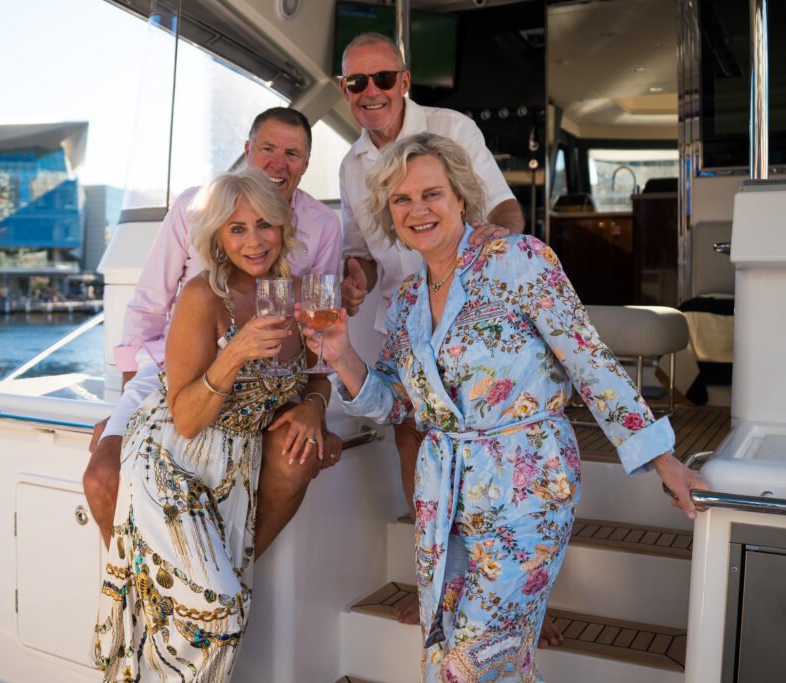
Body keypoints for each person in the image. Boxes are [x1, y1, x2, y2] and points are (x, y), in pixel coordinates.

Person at [302, 133, 707, 681]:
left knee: (469, 670)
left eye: (432, 194)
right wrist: (341, 353)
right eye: (402, 200)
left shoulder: (520, 260)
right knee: (461, 657)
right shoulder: (405, 301)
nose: (418, 209)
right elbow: (398, 404)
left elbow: (592, 365)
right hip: (443, 501)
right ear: (388, 212)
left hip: (526, 489)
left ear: (461, 197)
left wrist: (666, 462)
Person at [336, 30, 541, 632]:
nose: (370, 92)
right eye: (356, 82)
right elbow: (363, 250)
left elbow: (503, 208)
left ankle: (519, 595)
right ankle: (441, 583)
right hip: (404, 322)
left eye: (382, 78)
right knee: (413, 444)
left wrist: (494, 258)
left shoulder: (452, 128)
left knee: (495, 454)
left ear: (403, 80)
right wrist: (354, 279)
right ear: (345, 91)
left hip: (471, 316)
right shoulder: (349, 165)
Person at [94, 168, 324, 681]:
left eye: (264, 224)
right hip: (172, 465)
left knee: (210, 614)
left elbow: (315, 371)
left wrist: (313, 404)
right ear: (217, 236)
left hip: (234, 475)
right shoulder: (204, 295)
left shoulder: (291, 293)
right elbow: (187, 417)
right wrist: (235, 352)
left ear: (283, 227)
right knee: (218, 610)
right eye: (237, 228)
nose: (253, 240)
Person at [83, 107, 343, 559]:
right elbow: (147, 305)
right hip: (171, 373)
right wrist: (128, 405)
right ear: (247, 150)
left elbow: (321, 333)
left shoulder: (321, 225)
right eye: (267, 148)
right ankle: (145, 591)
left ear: (305, 163)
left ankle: (231, 574)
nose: (278, 163)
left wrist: (315, 407)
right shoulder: (192, 206)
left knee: (297, 453)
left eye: (293, 153)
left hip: (265, 381)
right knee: (103, 476)